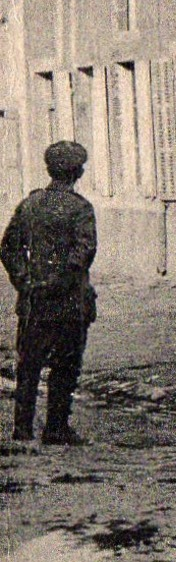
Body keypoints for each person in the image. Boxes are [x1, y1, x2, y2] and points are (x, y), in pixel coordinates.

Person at [2, 140, 98, 444]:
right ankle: (56, 428)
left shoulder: (30, 204)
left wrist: (25, 280)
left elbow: (8, 247)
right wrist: (59, 282)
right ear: (77, 172)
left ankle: (22, 428)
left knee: (28, 365)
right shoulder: (80, 209)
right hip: (68, 303)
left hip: (34, 302)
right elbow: (84, 252)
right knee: (65, 366)